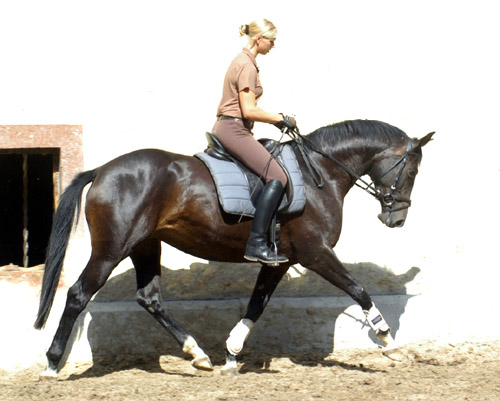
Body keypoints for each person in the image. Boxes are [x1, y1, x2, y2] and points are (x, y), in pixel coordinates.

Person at [212, 19, 296, 265]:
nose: (273, 45)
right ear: (259, 39)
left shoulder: (244, 61)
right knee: (278, 177)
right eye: (272, 40)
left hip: (234, 127)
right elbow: (248, 110)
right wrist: (280, 118)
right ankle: (257, 243)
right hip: (234, 129)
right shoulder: (246, 65)